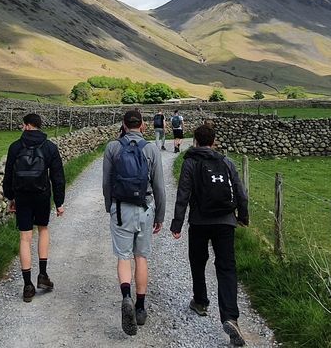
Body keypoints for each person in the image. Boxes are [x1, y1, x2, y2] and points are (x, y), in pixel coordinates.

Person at [170, 124, 249, 347]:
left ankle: (201, 301)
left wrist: (176, 224)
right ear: (214, 141)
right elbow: (241, 193)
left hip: (199, 221)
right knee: (226, 267)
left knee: (198, 260)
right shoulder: (226, 162)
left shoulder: (190, 162)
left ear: (195, 140)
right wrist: (243, 217)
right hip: (225, 221)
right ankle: (230, 317)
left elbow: (183, 194)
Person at [103, 109, 166, 336]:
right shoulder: (150, 149)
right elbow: (159, 186)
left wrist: (109, 206)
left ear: (123, 124)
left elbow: (106, 183)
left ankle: (126, 296)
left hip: (120, 209)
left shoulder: (113, 147)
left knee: (123, 256)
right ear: (142, 125)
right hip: (145, 209)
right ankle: (140, 307)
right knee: (141, 257)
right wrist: (160, 216)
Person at [3, 113, 66, 302]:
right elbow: (58, 177)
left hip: (22, 196)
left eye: (23, 125)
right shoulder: (49, 147)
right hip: (42, 195)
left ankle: (27, 285)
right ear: (39, 126)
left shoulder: (15, 147)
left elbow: (8, 176)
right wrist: (59, 202)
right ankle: (43, 276)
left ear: (27, 126)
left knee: (25, 237)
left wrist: (10, 197)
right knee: (43, 230)